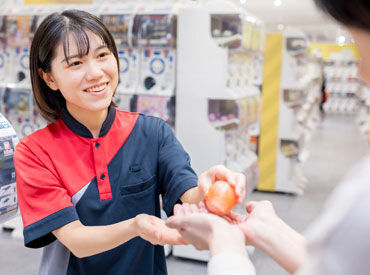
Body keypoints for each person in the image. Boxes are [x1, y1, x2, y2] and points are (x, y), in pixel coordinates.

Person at [13, 10, 246, 275]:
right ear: (49, 78)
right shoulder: (35, 152)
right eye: (76, 63)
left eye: (102, 55)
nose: (95, 73)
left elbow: (188, 197)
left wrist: (209, 188)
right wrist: (136, 226)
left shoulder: (152, 132)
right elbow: (76, 240)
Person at [166, 0, 370, 274]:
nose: (361, 73)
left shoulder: (361, 201)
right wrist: (266, 230)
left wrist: (224, 243)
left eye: (361, 49)